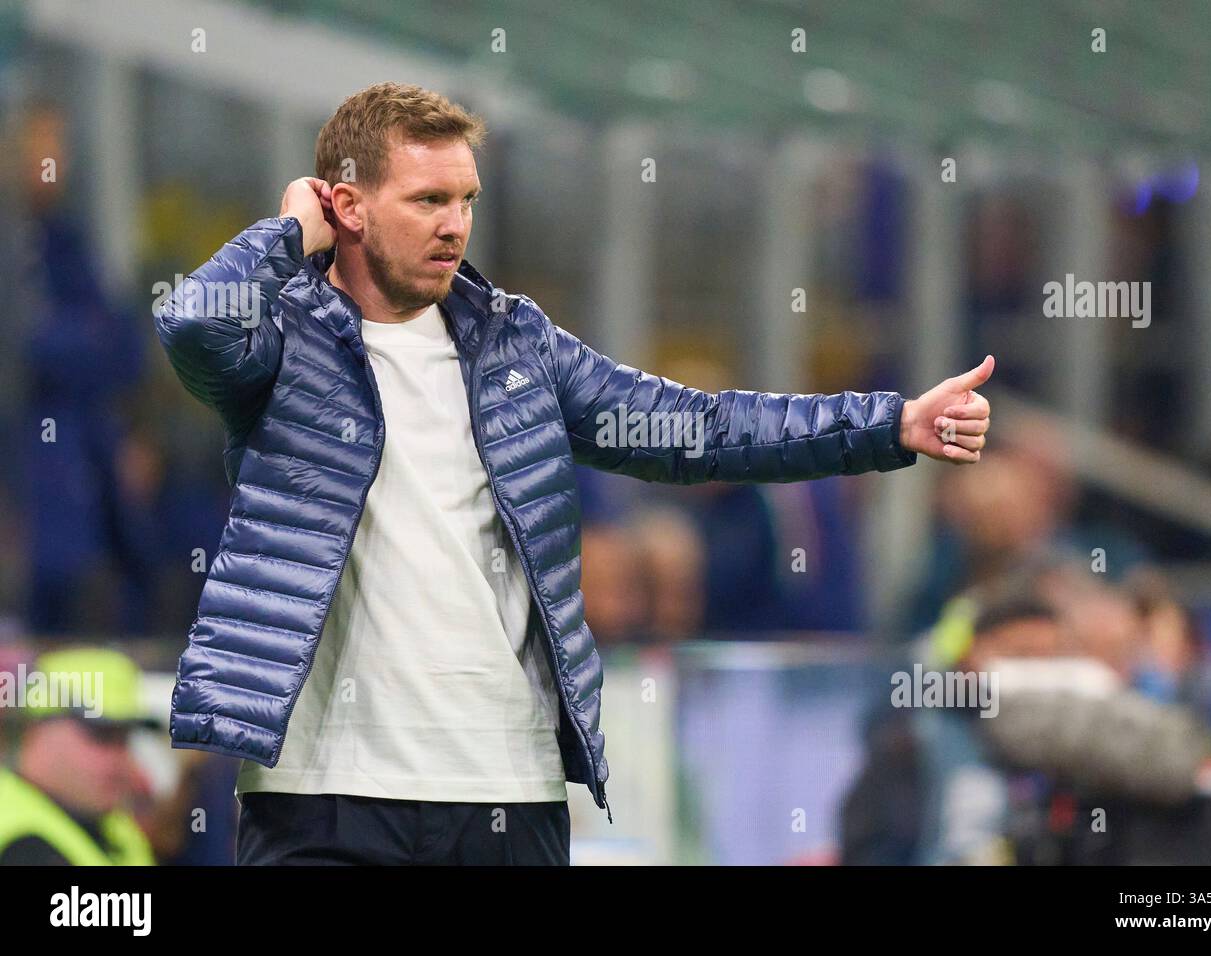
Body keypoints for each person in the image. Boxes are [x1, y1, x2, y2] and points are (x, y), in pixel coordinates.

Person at [153, 82, 994, 866]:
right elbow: (191, 324)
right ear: (348, 206)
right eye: (427, 200)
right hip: (322, 793)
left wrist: (891, 423)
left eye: (466, 200)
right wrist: (290, 230)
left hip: (502, 796)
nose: (455, 225)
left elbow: (697, 431)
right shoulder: (280, 344)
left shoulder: (520, 346)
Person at [0, 647, 157, 866]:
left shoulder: (109, 821)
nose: (120, 758)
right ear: (37, 730)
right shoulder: (21, 844)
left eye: (125, 739)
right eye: (101, 737)